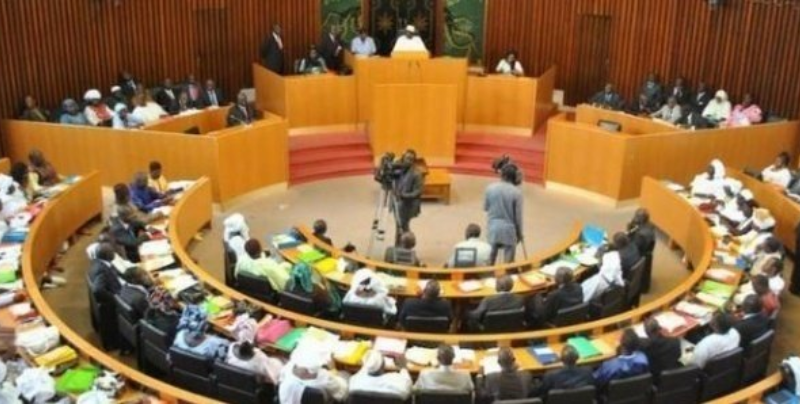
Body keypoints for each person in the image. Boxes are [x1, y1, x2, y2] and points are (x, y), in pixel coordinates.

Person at [484, 163, 523, 264]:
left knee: (489, 261)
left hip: (493, 229)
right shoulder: (517, 193)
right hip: (509, 232)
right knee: (508, 265)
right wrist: (520, 234)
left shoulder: (490, 188)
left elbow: (486, 208)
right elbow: (518, 218)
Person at [278, 348, 348, 404]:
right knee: (345, 374)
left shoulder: (287, 369)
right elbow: (342, 393)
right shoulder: (324, 379)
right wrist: (333, 369)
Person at [394, 150, 424, 244]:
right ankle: (399, 243)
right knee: (399, 225)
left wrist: (403, 196)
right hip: (399, 203)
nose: (408, 161)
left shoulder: (417, 174)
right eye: (406, 158)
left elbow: (418, 192)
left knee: (403, 225)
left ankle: (407, 243)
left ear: (414, 161)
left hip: (408, 204)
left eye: (411, 159)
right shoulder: (401, 170)